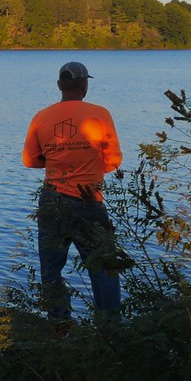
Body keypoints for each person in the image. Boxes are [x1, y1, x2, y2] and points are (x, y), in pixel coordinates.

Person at [22, 62, 123, 331]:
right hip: (89, 202)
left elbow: (30, 160)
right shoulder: (100, 114)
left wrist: (57, 159)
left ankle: (59, 324)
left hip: (52, 200)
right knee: (103, 266)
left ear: (59, 86)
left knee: (51, 267)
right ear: (84, 86)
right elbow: (113, 161)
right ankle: (110, 329)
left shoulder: (41, 117)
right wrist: (87, 164)